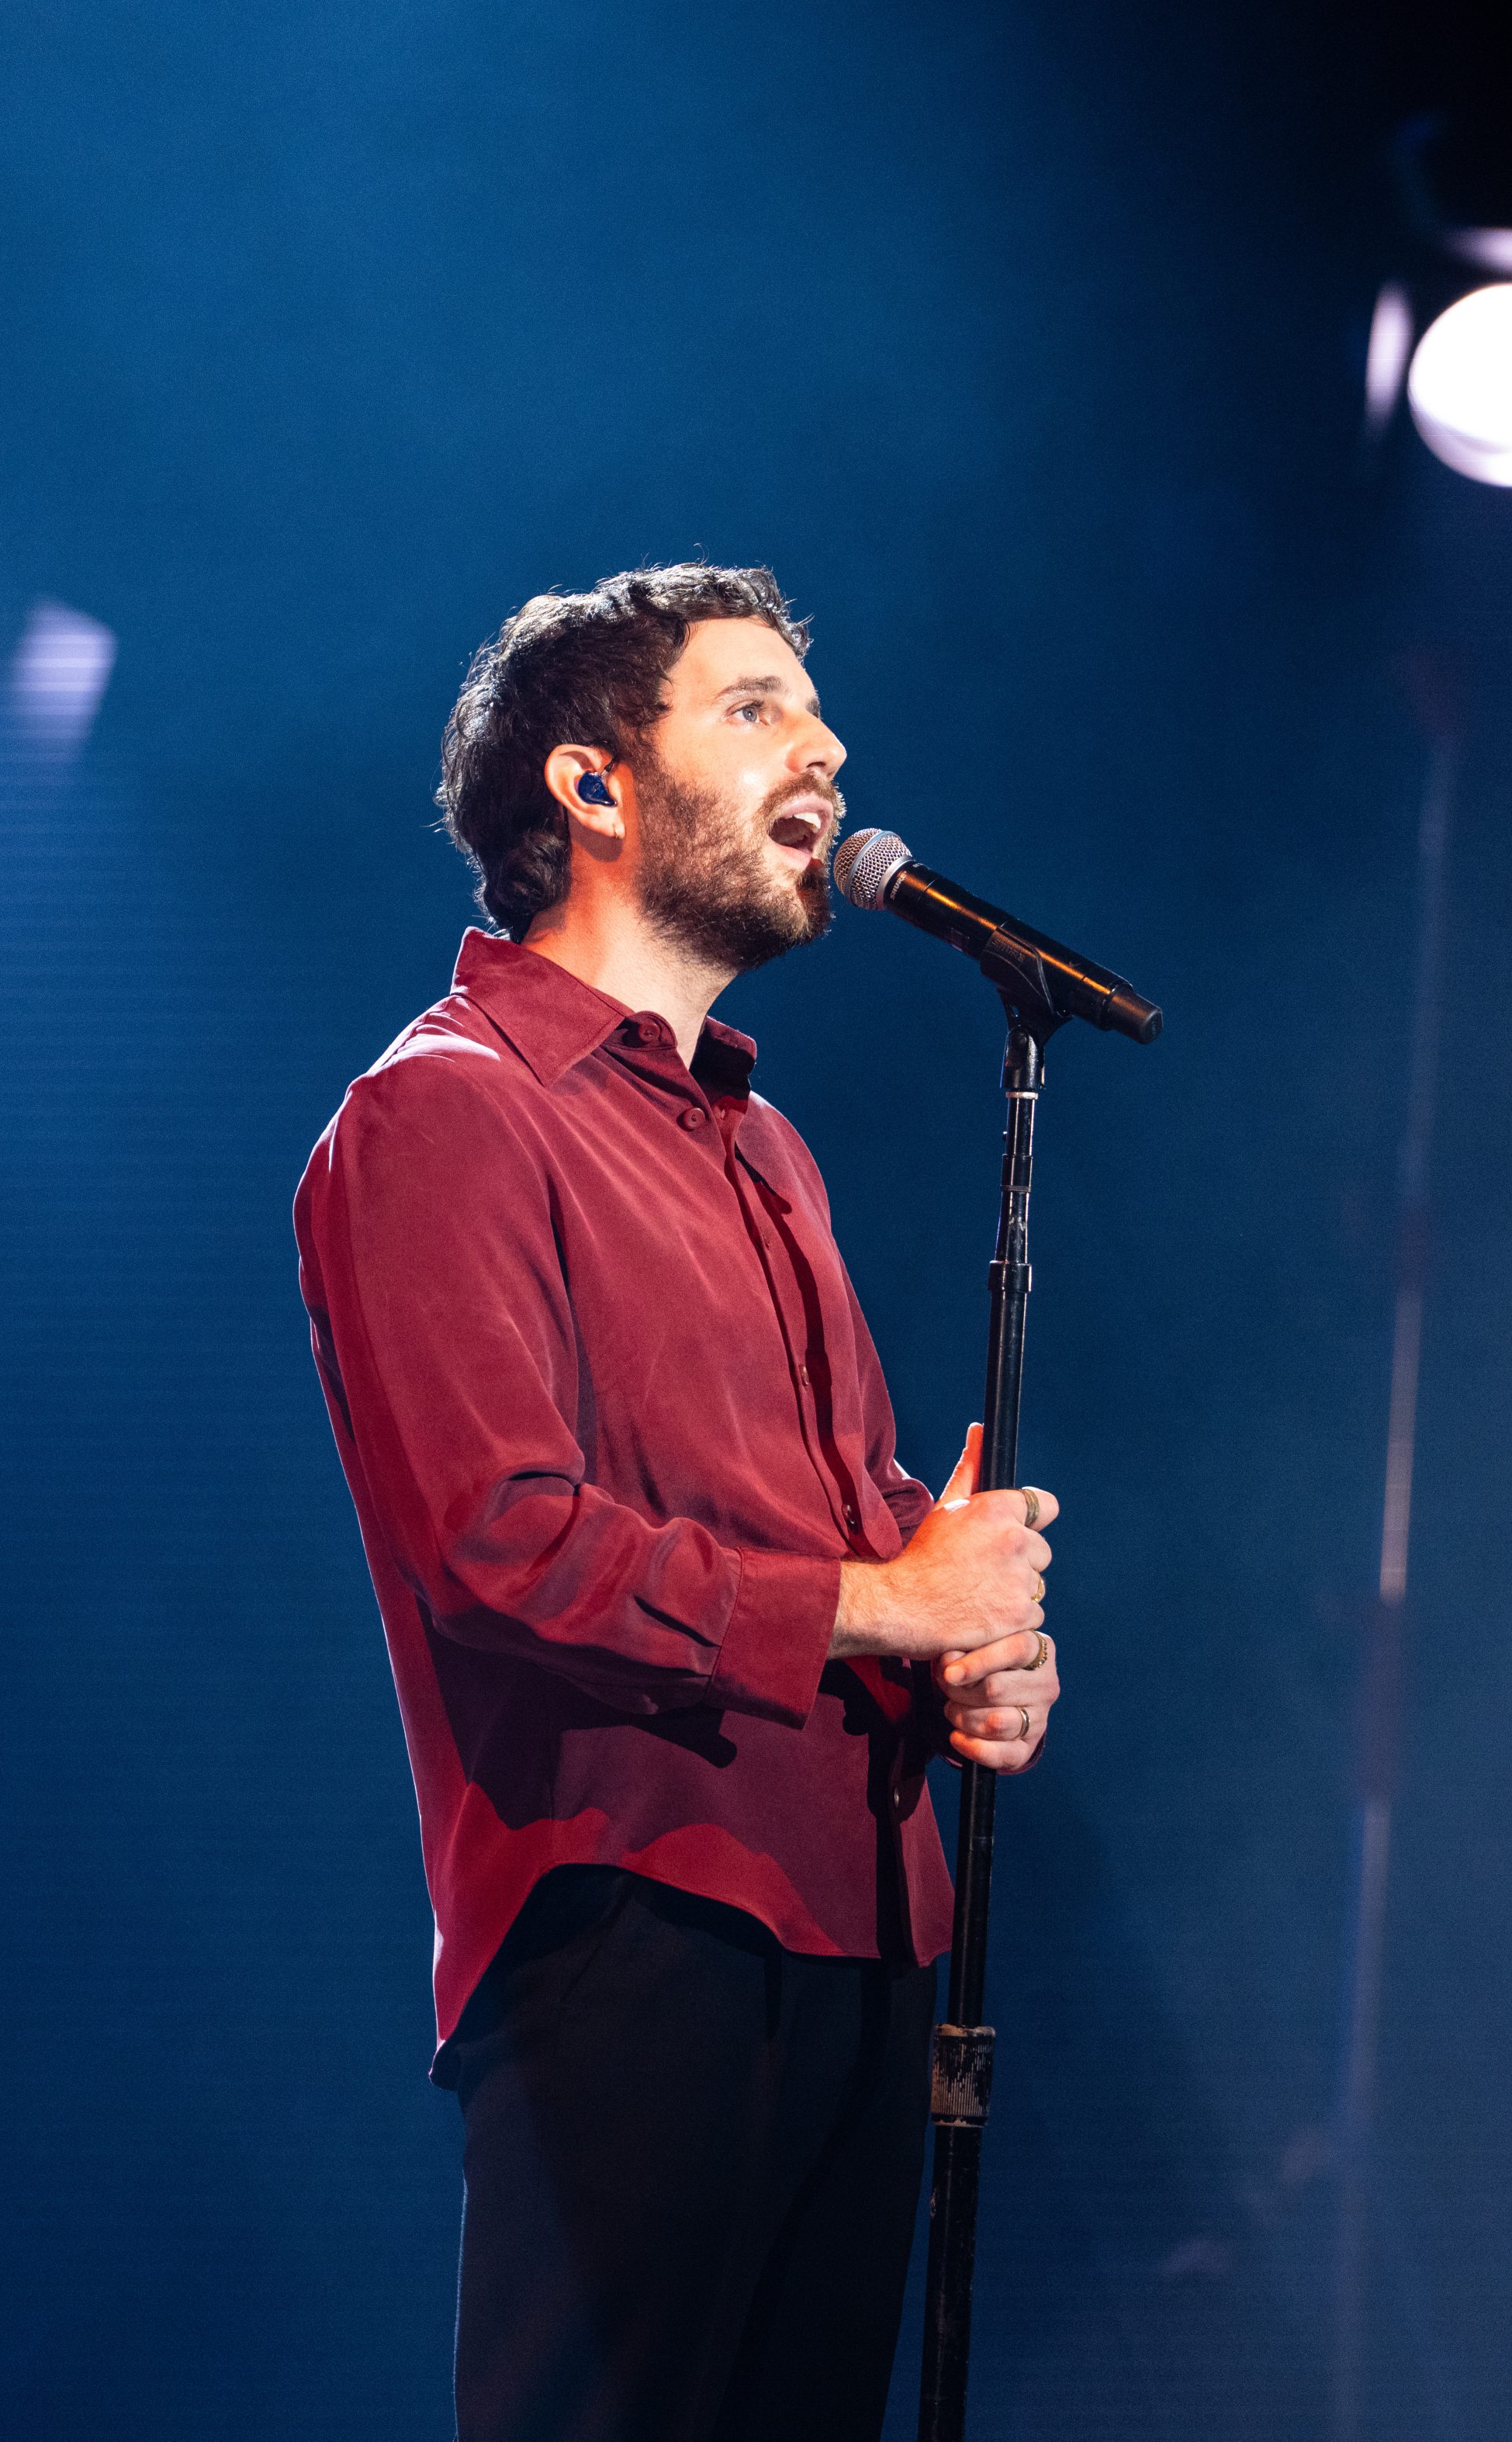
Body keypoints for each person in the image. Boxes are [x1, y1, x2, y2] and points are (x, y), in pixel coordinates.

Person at [293, 565, 1066, 2441]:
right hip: (641, 1915)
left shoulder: (757, 1140)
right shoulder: (447, 1112)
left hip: (864, 1918)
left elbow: (860, 1523)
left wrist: (968, 1643)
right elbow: (499, 1540)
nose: (826, 748)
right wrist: (889, 1606)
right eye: (754, 708)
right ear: (593, 787)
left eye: (819, 712)